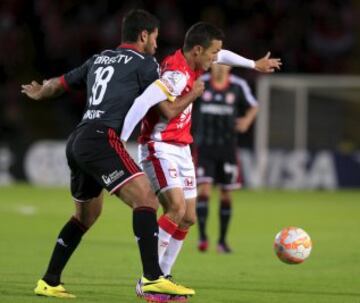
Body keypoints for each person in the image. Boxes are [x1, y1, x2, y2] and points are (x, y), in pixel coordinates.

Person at [20, 9, 201, 301]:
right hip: (103, 139)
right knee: (146, 198)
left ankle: (49, 280)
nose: (156, 44)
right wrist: (191, 94)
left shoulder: (98, 58)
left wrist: (40, 91)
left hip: (78, 139)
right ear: (144, 35)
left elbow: (58, 84)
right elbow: (164, 108)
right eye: (154, 38)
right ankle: (153, 278)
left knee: (86, 215)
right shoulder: (146, 63)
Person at [120, 21, 281, 287]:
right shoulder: (177, 74)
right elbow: (153, 106)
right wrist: (120, 140)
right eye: (212, 53)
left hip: (182, 147)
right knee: (175, 208)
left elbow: (225, 55)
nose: (217, 59)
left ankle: (165, 273)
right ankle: (150, 278)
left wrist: (254, 64)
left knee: (189, 217)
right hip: (159, 146)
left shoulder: (192, 63)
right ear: (197, 50)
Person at [192, 64, 259, 253]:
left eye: (224, 65)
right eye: (216, 64)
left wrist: (246, 121)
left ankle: (222, 241)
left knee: (226, 193)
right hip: (204, 147)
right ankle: (203, 237)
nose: (220, 68)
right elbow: (186, 101)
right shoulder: (201, 83)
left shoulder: (238, 85)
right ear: (211, 67)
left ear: (229, 68)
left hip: (228, 148)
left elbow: (254, 106)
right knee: (204, 191)